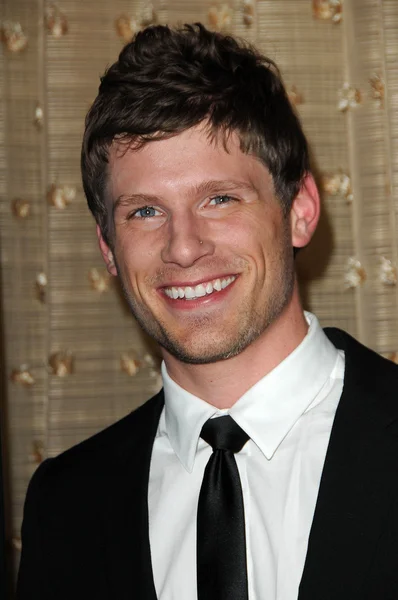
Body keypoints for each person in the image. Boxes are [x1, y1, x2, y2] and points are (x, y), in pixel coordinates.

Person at [17, 23, 398, 600]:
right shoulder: (64, 503)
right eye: (144, 212)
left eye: (219, 198)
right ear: (107, 250)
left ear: (300, 210)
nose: (184, 246)